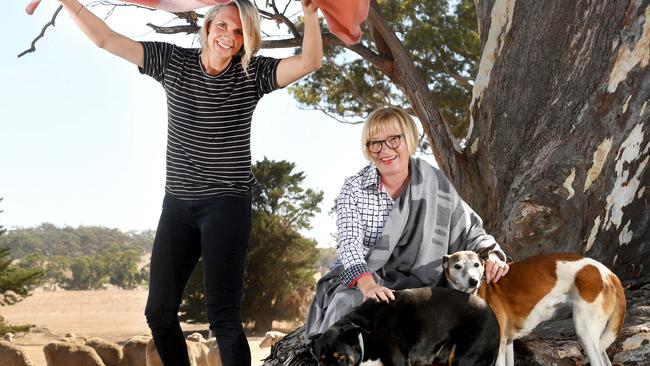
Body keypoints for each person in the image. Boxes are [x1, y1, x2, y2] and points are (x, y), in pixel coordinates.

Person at [52, 0, 323, 365]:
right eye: (224, 26)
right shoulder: (173, 63)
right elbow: (105, 39)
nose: (229, 36)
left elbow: (310, 62)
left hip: (226, 204)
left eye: (240, 31)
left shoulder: (252, 74)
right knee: (158, 314)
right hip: (177, 205)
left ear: (247, 40)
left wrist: (309, 16)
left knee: (222, 316)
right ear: (208, 26)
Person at [305, 106, 509, 337]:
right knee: (345, 315)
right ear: (368, 148)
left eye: (394, 139)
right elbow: (349, 244)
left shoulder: (434, 181)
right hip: (365, 280)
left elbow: (469, 229)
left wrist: (491, 255)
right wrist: (368, 285)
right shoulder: (354, 189)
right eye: (375, 143)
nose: (384, 150)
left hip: (425, 285)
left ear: (409, 139)